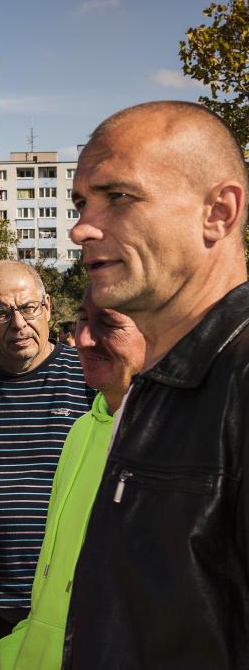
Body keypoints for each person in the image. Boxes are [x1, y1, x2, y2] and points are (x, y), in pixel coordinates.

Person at [63, 101, 249, 668]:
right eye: (81, 202)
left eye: (118, 197)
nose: (80, 228)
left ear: (218, 211)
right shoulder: (153, 384)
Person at [0, 261, 92, 670]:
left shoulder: (85, 377)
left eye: (27, 308)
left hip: (71, 605)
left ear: (47, 307)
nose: (18, 323)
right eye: (0, 313)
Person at [0, 294, 144, 670]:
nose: (85, 339)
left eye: (108, 324)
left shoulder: (188, 437)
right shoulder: (81, 428)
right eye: (82, 321)